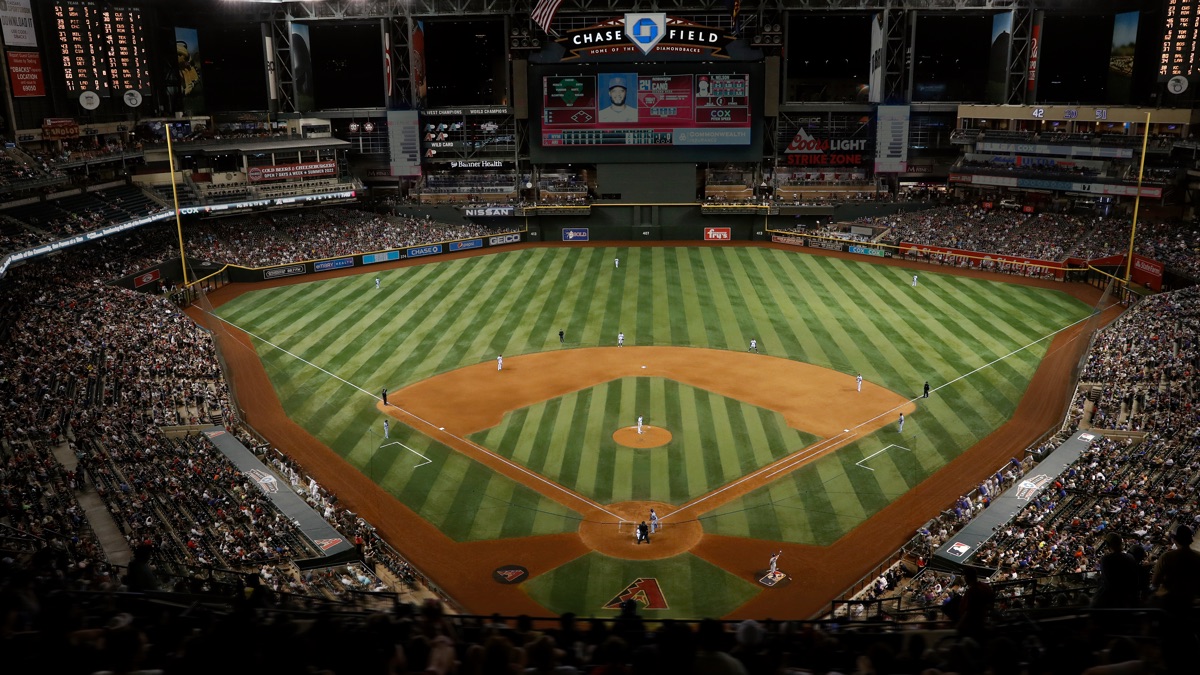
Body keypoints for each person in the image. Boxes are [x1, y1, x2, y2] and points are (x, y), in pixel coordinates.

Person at [1092, 532, 1140, 610]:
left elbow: (1108, 582)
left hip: (1113, 597)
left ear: (1108, 545)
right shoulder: (1130, 557)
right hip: (1129, 595)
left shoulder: (1106, 559)